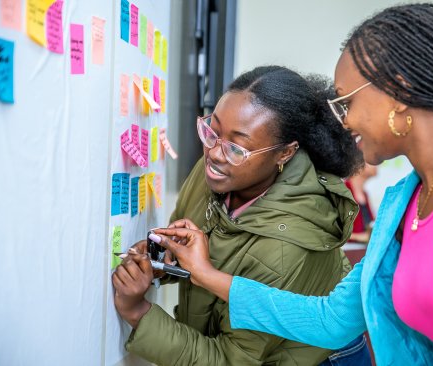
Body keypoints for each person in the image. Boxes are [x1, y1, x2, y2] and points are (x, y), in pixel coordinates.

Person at [152, 3, 433, 365]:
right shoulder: (404, 204)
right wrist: (207, 275)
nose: (344, 122)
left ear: (397, 94)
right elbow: (331, 321)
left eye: (346, 103)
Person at [112, 66, 371, 365]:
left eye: (237, 147)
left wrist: (137, 313)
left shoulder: (285, 250)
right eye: (212, 130)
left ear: (285, 153)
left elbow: (231, 359)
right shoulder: (220, 166)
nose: (215, 154)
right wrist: (162, 262)